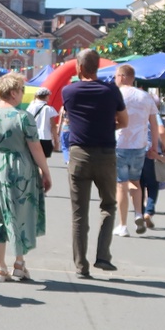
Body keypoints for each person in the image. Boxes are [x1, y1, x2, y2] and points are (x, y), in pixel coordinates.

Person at [0, 72, 51, 282]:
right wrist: (46, 171)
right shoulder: (23, 117)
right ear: (14, 92)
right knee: (18, 213)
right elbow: (36, 148)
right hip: (18, 168)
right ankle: (18, 263)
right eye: (22, 90)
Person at [61, 49, 128, 278]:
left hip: (79, 154)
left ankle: (81, 266)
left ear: (79, 67)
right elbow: (124, 121)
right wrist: (110, 126)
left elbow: (71, 117)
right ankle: (102, 256)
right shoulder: (111, 90)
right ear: (98, 67)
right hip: (106, 154)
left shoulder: (68, 91)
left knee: (79, 213)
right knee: (108, 205)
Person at [112, 64, 159, 237]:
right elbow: (153, 124)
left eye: (116, 75)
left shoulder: (117, 95)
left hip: (120, 144)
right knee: (136, 182)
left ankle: (122, 225)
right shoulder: (146, 96)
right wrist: (154, 145)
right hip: (139, 145)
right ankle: (139, 213)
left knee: (121, 185)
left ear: (123, 76)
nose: (114, 79)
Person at [25, 87, 59, 159]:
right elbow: (53, 126)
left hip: (32, 136)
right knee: (42, 161)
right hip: (45, 137)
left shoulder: (30, 107)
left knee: (32, 160)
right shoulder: (49, 109)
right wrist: (56, 140)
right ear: (47, 96)